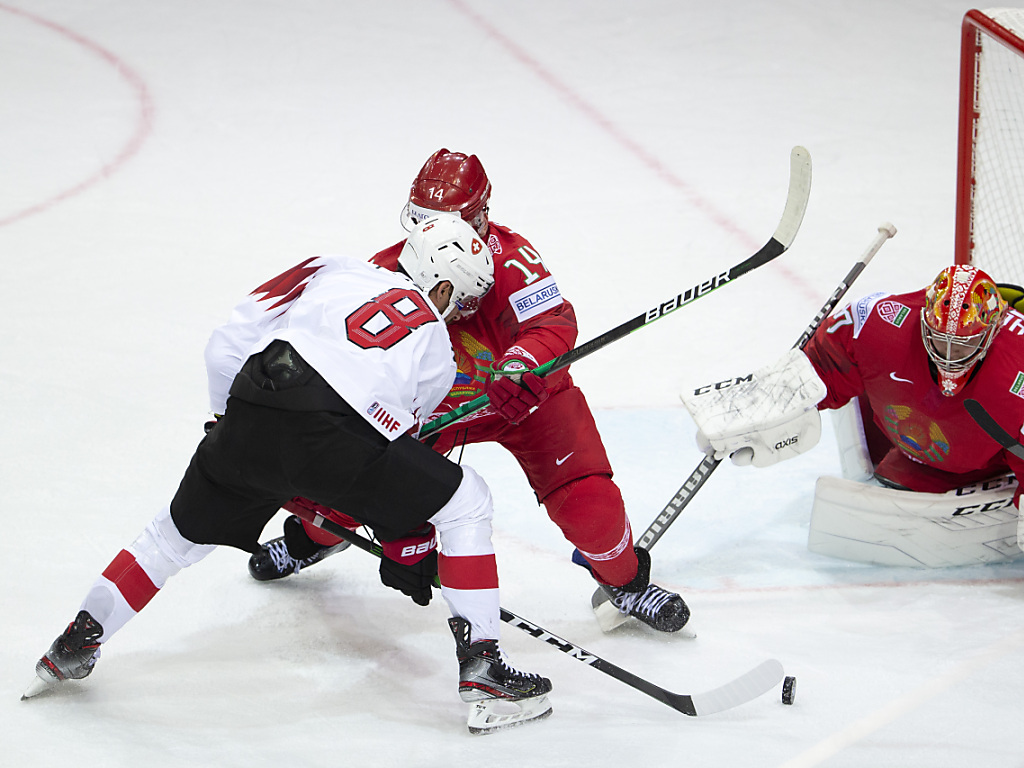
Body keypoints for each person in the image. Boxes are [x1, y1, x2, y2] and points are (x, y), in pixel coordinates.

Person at [25, 215, 553, 733]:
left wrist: (229, 428)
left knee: (167, 540)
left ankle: (71, 646)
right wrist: (405, 540)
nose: (455, 312)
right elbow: (389, 450)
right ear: (442, 285)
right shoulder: (436, 347)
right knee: (468, 501)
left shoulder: (333, 269)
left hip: (253, 400)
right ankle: (483, 667)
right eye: (458, 300)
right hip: (337, 435)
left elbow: (227, 341)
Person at [248, 148, 690, 634]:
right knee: (338, 491)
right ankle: (318, 536)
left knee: (591, 509)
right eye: (420, 220)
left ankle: (624, 582)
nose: (424, 235)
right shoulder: (386, 270)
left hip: (526, 401)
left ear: (481, 218)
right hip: (429, 414)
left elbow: (552, 320)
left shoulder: (514, 258)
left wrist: (522, 364)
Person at [683, 264, 1024, 543]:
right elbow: (817, 372)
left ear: (991, 334)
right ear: (923, 318)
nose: (949, 357)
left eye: (963, 345)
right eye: (939, 340)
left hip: (988, 468)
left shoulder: (1018, 365)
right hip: (910, 450)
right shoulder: (877, 322)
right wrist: (753, 410)